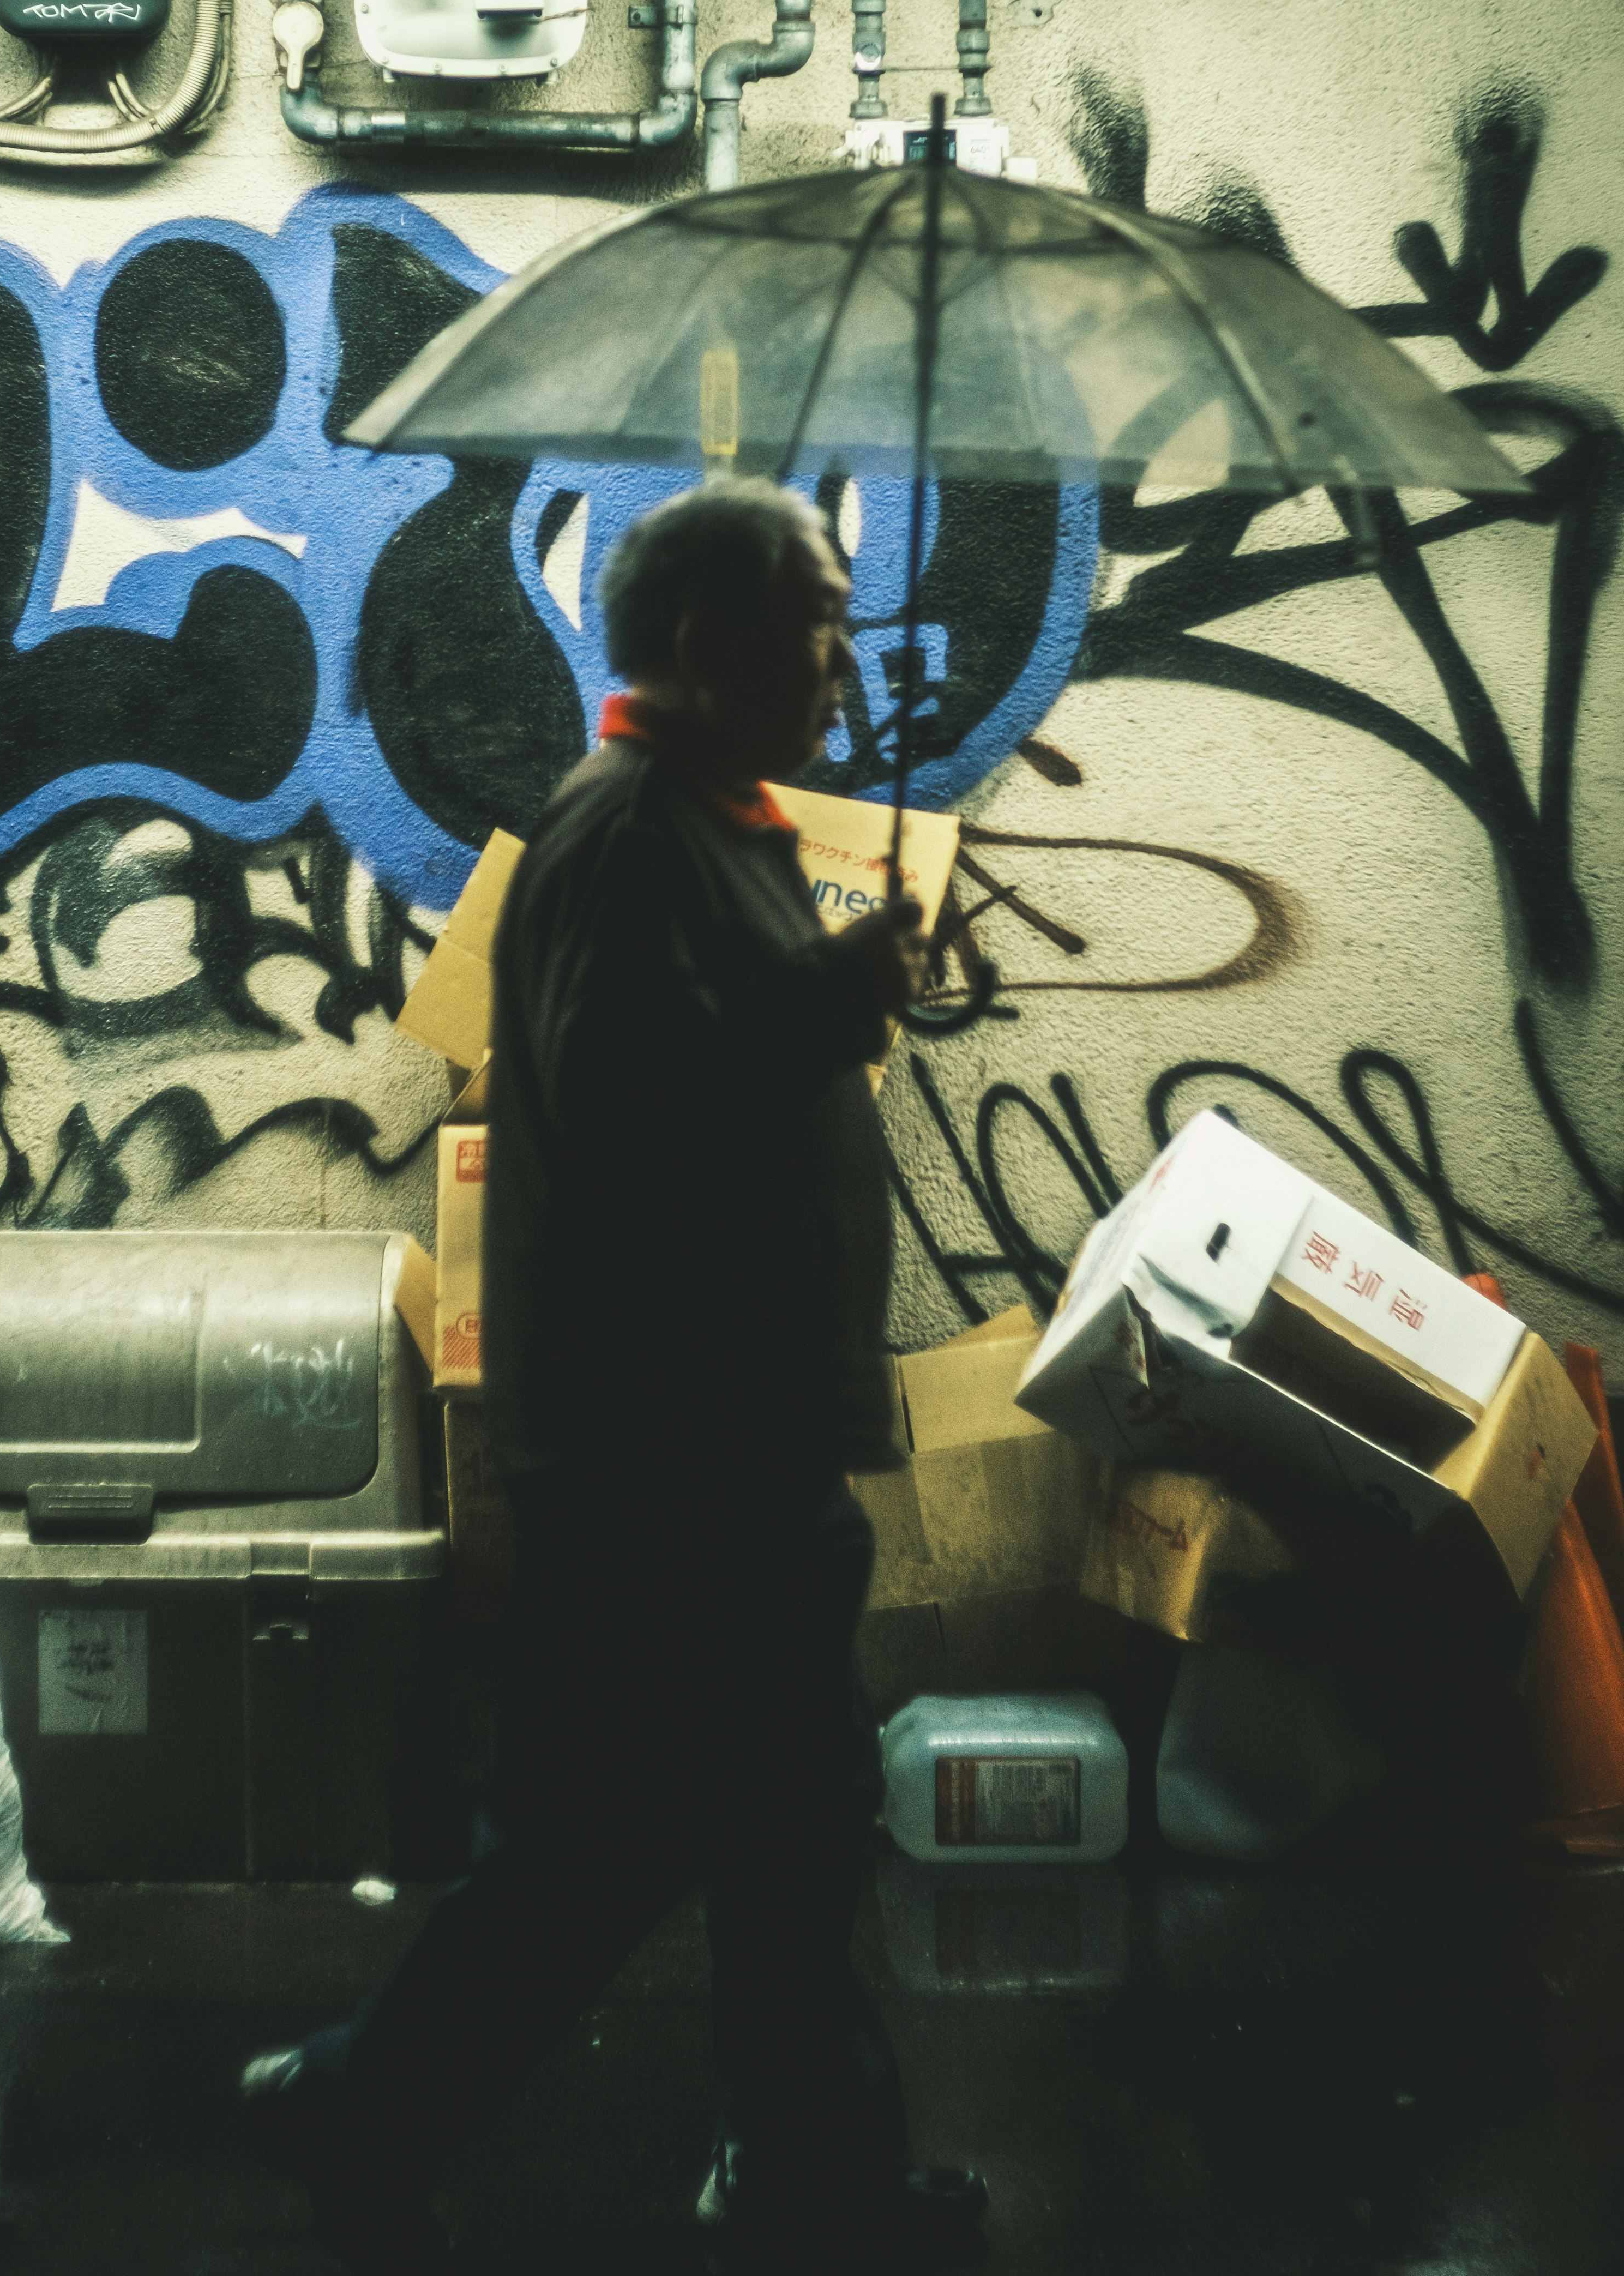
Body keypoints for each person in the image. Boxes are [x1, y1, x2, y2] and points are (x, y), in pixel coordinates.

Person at [241, 480, 987, 2273]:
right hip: (672, 1474)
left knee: (778, 1835)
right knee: (621, 1850)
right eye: (813, 617)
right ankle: (377, 2106)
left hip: (723, 1460)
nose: (839, 655)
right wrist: (828, 997)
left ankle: (809, 2168)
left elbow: (702, 1064)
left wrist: (833, 970)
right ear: (709, 642)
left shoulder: (706, 827)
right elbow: (637, 1114)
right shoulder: (626, 835)